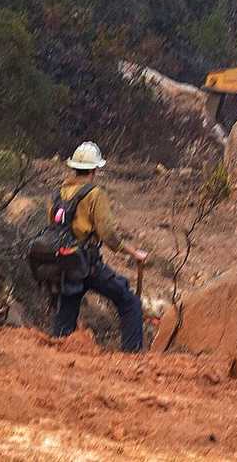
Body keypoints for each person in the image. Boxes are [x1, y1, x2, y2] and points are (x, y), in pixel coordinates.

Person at [49, 141, 149, 352]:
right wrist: (133, 253)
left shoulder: (58, 194)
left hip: (66, 265)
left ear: (74, 167)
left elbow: (53, 227)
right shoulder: (95, 194)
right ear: (94, 170)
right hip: (88, 263)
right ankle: (133, 358)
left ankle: (54, 359)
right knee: (130, 302)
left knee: (65, 315)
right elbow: (108, 235)